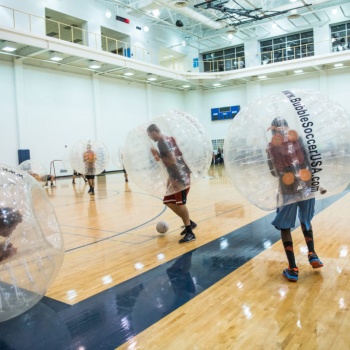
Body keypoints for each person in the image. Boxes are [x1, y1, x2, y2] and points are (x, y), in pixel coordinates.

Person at [266, 117, 323, 282]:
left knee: (285, 227)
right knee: (305, 219)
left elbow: (273, 172)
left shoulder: (270, 147)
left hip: (287, 188)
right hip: (306, 184)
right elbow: (309, 161)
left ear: (274, 130)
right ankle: (312, 254)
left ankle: (293, 268)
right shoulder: (298, 139)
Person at [147, 124, 196, 243]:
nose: (150, 138)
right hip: (175, 175)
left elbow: (173, 160)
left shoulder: (162, 142)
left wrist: (158, 156)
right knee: (168, 201)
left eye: (150, 135)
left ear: (154, 132)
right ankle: (190, 222)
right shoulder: (167, 139)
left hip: (179, 176)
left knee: (180, 203)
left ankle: (190, 232)